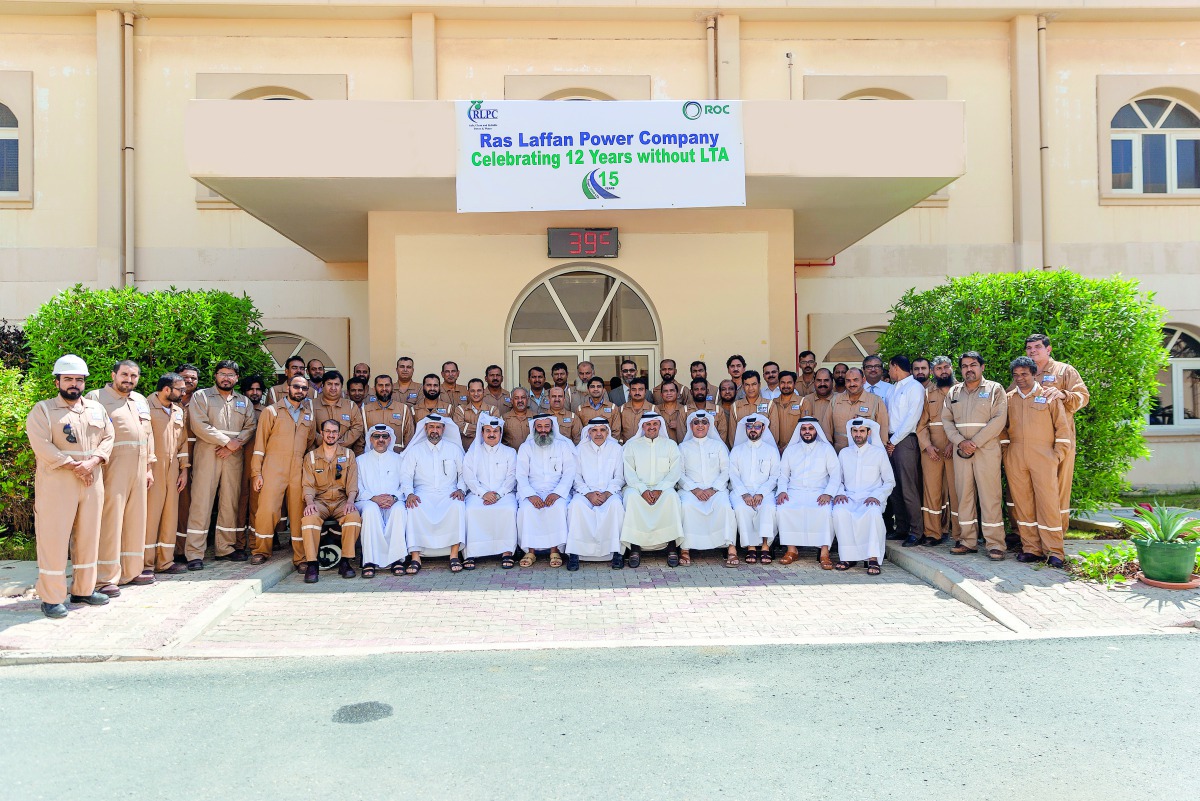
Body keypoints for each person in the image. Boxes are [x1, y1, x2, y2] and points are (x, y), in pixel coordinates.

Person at [26, 355, 115, 618]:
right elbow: (42, 445)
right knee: (53, 538)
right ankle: (52, 598)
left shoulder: (97, 410)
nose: (74, 383)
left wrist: (95, 461)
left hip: (92, 481)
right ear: (57, 382)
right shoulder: (42, 410)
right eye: (68, 379)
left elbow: (109, 437)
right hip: (58, 482)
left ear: (84, 382)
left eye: (78, 379)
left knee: (89, 535)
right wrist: (75, 465)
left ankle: (83, 590)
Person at [87, 360, 157, 589]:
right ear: (113, 374)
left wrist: (148, 467)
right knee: (111, 520)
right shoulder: (95, 398)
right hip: (112, 466)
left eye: (134, 376)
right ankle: (106, 576)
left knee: (136, 520)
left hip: (139, 467)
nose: (129, 379)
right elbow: (89, 434)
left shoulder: (140, 399)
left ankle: (132, 570)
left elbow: (148, 434)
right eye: (124, 374)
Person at [184, 360, 257, 569]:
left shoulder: (243, 401)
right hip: (208, 453)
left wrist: (234, 445)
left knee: (230, 501)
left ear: (236, 378)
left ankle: (225, 548)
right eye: (223, 373)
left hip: (234, 456)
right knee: (201, 502)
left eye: (231, 374)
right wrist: (227, 442)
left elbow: (250, 426)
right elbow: (199, 425)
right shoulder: (202, 396)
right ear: (215, 375)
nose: (226, 377)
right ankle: (194, 553)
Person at [1002, 356, 1072, 568]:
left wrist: (1057, 455)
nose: (1020, 378)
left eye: (1024, 374)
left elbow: (1062, 428)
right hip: (1015, 456)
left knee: (1048, 503)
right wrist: (1007, 452)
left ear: (1034, 374)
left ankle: (1054, 551)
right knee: (1022, 504)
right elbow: (1002, 428)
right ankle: (1031, 548)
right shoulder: (1008, 398)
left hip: (1043, 456)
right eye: (1016, 375)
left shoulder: (1049, 397)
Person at [942, 351, 1009, 561]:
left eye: (973, 365)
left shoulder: (994, 390)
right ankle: (967, 541)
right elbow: (947, 421)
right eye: (964, 366)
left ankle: (995, 544)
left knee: (990, 496)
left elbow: (999, 419)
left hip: (986, 450)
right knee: (964, 497)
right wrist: (961, 442)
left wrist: (975, 443)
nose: (968, 369)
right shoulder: (953, 392)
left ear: (982, 367)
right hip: (961, 451)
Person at [1022, 333, 1089, 533]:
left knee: (1058, 486)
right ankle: (1030, 537)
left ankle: (1055, 534)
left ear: (1048, 349)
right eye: (1029, 348)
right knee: (1029, 488)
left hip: (1058, 440)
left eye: (1037, 347)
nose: (1032, 351)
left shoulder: (1064, 371)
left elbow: (1083, 396)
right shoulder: (1026, 373)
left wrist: (1063, 394)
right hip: (1031, 441)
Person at [250, 375, 316, 567]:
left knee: (298, 513)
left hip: (298, 468)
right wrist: (257, 473)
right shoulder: (271, 411)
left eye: (304, 389)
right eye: (296, 387)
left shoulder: (308, 414)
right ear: (288, 387)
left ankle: (300, 557)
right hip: (273, 466)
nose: (300, 391)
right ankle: (261, 550)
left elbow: (310, 441)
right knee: (267, 510)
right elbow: (259, 445)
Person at [401, 414, 467, 573]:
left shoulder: (454, 449)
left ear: (443, 429)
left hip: (449, 492)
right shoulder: (415, 451)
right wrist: (409, 493)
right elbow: (406, 475)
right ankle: (416, 557)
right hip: (423, 493)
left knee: (457, 506)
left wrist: (461, 489)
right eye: (431, 427)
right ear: (425, 429)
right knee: (413, 507)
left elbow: (464, 474)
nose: (434, 431)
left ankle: (454, 555)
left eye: (438, 427)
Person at [299, 419, 362, 583]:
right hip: (320, 501)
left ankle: (346, 562)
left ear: (339, 434)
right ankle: (312, 564)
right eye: (328, 431)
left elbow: (352, 482)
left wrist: (350, 501)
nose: (331, 434)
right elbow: (307, 484)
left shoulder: (348, 455)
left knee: (353, 518)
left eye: (334, 431)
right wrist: (310, 503)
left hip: (342, 501)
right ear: (322, 433)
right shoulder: (311, 457)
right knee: (309, 519)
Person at [831, 419, 896, 575]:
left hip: (871, 498)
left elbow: (889, 481)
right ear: (851, 433)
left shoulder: (879, 453)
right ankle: (848, 557)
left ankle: (872, 558)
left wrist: (876, 496)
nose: (858, 434)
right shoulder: (844, 453)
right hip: (849, 497)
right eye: (855, 431)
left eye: (861, 431)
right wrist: (839, 493)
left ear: (869, 433)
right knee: (839, 512)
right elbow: (837, 479)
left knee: (873, 514)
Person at [620, 413, 684, 567]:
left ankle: (671, 547)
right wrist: (642, 490)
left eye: (655, 424)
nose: (651, 427)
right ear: (642, 426)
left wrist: (660, 489)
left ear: (659, 426)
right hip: (637, 488)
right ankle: (635, 548)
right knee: (631, 498)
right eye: (648, 424)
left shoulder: (670, 445)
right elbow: (629, 472)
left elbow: (675, 471)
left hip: (663, 488)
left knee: (672, 498)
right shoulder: (632, 445)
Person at [776, 418, 841, 569]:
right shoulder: (791, 450)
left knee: (824, 511)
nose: (807, 431)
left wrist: (829, 494)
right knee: (784, 508)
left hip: (819, 492)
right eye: (804, 429)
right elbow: (783, 475)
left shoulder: (826, 449)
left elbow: (836, 475)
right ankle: (792, 550)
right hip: (794, 491)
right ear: (800, 431)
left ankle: (824, 552)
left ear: (816, 431)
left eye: (810, 428)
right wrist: (782, 491)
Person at [676, 411, 738, 568]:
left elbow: (726, 470)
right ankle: (685, 548)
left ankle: (731, 546)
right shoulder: (682, 447)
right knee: (686, 506)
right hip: (691, 490)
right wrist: (694, 490)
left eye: (704, 422)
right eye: (696, 422)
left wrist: (713, 489)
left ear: (709, 425)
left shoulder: (718, 446)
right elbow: (679, 473)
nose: (700, 425)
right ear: (691, 426)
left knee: (725, 506)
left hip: (716, 489)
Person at [515, 415, 575, 568]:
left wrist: (557, 493)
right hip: (532, 490)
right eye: (539, 427)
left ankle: (554, 550)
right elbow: (520, 475)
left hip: (556, 491)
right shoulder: (526, 447)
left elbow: (569, 472)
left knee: (557, 507)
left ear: (552, 427)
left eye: (546, 426)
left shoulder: (562, 446)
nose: (543, 430)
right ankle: (531, 551)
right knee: (528, 509)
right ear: (534, 428)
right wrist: (531, 495)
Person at [566, 417, 625, 570]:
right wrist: (588, 494)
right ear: (589, 432)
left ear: (608, 432)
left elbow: (620, 477)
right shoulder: (579, 449)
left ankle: (617, 552)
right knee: (576, 506)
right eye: (594, 430)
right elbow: (576, 477)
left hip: (610, 492)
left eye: (602, 430)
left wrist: (607, 493)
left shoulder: (616, 449)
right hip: (585, 493)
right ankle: (575, 553)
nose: (599, 433)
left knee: (617, 506)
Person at [145, 373, 190, 575]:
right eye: (180, 389)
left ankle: (165, 561)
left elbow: (182, 442)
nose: (184, 392)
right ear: (166, 389)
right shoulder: (145, 407)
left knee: (170, 515)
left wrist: (184, 470)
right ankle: (145, 564)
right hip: (152, 467)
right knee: (150, 517)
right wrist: (146, 469)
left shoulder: (178, 411)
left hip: (173, 470)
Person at [462, 415, 518, 570]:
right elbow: (469, 477)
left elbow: (512, 477)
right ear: (482, 433)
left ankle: (507, 552)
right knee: (470, 510)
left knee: (509, 510)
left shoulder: (510, 452)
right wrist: (483, 493)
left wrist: (498, 494)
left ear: (500, 433)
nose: (492, 434)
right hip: (478, 495)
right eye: (488, 431)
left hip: (504, 495)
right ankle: (471, 553)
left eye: (495, 431)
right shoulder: (472, 453)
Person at [915, 356, 960, 546]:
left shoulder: (962, 390)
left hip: (956, 447)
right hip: (932, 449)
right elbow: (921, 424)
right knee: (932, 491)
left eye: (946, 367)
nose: (943, 371)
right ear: (933, 372)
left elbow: (965, 421)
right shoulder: (927, 393)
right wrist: (927, 446)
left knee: (958, 491)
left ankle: (960, 534)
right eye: (939, 368)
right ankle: (933, 532)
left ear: (951, 368)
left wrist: (953, 442)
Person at [883, 355, 926, 547]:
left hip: (905, 441)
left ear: (895, 367)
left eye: (890, 368)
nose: (889, 372)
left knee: (908, 487)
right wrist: (887, 440)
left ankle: (916, 531)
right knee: (894, 487)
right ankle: (901, 528)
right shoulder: (893, 389)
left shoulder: (914, 387)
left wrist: (893, 440)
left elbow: (911, 419)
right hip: (891, 441)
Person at [355, 425, 408, 578]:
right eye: (377, 436)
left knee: (399, 510)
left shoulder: (399, 459)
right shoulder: (360, 461)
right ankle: (369, 560)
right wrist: (374, 498)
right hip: (368, 501)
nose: (380, 440)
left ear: (390, 439)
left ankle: (397, 558)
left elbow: (405, 483)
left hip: (394, 500)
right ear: (370, 439)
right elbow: (357, 486)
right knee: (370, 510)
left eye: (384, 436)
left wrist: (394, 497)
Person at [729, 414, 780, 564]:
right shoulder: (737, 450)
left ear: (763, 428)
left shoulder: (771, 450)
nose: (753, 430)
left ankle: (765, 547)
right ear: (745, 428)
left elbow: (775, 475)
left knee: (768, 508)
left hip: (765, 492)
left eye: (757, 426)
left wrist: (761, 493)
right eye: (750, 426)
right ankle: (751, 547)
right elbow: (733, 475)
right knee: (741, 509)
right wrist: (744, 494)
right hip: (741, 492)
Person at [234, 375, 267, 553]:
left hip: (258, 464)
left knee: (256, 505)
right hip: (238, 461)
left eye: (258, 389)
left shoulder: (267, 411)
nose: (254, 393)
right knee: (239, 503)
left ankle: (255, 543)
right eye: (251, 389)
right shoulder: (236, 409)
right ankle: (238, 544)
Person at [173, 363, 201, 560]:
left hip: (197, 456)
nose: (190, 380)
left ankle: (183, 549)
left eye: (193, 378)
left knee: (189, 503)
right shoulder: (167, 400)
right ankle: (168, 549)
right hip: (172, 457)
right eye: (186, 377)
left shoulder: (202, 401)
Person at [831, 367, 889, 452]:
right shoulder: (835, 400)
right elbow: (827, 428)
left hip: (867, 454)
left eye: (855, 380)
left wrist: (882, 450)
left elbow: (883, 429)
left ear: (864, 380)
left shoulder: (875, 401)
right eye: (848, 381)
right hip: (839, 453)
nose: (852, 384)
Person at [313, 371, 364, 453]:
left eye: (337, 384)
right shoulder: (311, 405)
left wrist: (339, 443)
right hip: (319, 455)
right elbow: (309, 430)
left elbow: (357, 427)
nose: (333, 388)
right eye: (329, 384)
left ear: (341, 387)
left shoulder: (351, 406)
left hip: (344, 455)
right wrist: (325, 441)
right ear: (322, 386)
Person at [363, 373, 413, 453]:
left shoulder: (403, 409)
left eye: (387, 385)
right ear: (374, 388)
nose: (384, 388)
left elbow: (409, 437)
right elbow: (360, 440)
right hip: (371, 460)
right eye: (380, 385)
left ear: (392, 387)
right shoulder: (365, 410)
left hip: (397, 458)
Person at [453, 378, 499, 452]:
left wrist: (468, 427)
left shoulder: (493, 410)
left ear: (484, 391)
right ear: (468, 392)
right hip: (466, 453)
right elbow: (460, 428)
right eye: (472, 391)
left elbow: (494, 429)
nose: (476, 394)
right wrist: (484, 428)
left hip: (488, 454)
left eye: (479, 390)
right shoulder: (460, 410)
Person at [767, 370, 805, 453]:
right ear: (778, 384)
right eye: (783, 382)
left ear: (794, 384)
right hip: (775, 449)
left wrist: (787, 447)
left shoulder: (803, 402)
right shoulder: (772, 403)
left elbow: (804, 428)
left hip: (797, 449)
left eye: (789, 382)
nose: (786, 386)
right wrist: (776, 447)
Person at [577, 376, 621, 440]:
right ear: (588, 390)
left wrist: (607, 445)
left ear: (603, 390)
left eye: (599, 386)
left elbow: (616, 431)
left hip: (608, 446)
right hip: (587, 447)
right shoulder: (580, 409)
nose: (595, 389)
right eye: (592, 387)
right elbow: (579, 432)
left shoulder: (613, 408)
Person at [688, 376, 730, 445]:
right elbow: (682, 435)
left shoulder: (718, 410)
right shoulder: (684, 411)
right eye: (696, 389)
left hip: (714, 450)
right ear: (691, 392)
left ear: (707, 391)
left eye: (702, 389)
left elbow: (722, 433)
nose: (699, 392)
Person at [618, 376, 657, 443]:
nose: (637, 392)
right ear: (629, 392)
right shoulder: (622, 409)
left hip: (646, 448)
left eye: (640, 389)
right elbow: (617, 430)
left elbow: (658, 431)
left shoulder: (653, 409)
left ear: (645, 391)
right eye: (634, 389)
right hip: (626, 448)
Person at [804, 368, 836, 443]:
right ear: (814, 382)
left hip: (835, 448)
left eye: (826, 380)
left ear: (832, 382)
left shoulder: (840, 400)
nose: (822, 384)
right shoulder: (806, 400)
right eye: (819, 380)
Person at [716, 379, 738, 448]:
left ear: (736, 392)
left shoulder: (742, 408)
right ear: (719, 392)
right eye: (724, 389)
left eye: (731, 389)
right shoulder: (714, 410)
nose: (727, 392)